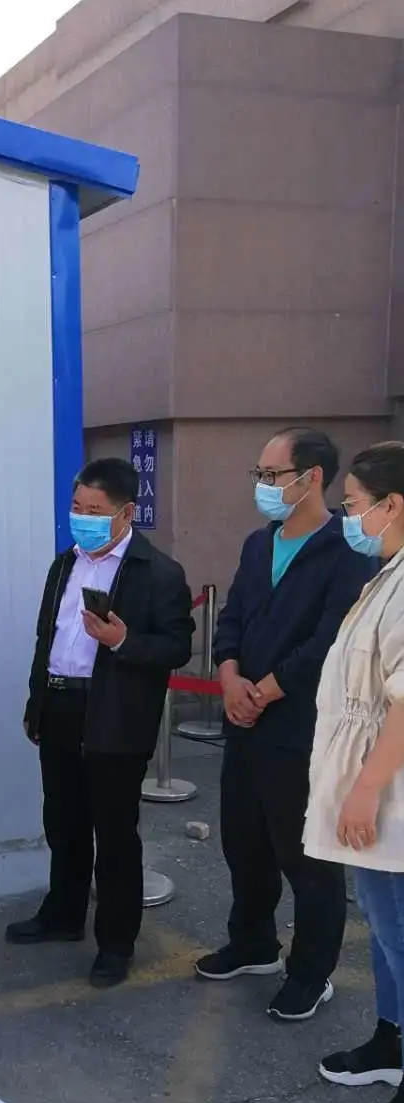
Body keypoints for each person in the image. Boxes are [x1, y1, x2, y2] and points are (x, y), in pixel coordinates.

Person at [195, 427, 376, 1020]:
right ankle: (253, 944)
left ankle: (311, 973)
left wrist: (268, 689)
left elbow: (331, 640)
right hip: (245, 722)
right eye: (261, 475)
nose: (263, 486)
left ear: (311, 477)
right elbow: (233, 619)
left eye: (272, 475)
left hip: (301, 728)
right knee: (243, 841)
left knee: (307, 858)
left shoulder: (347, 550)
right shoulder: (258, 544)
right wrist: (229, 676)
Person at [6, 458, 193, 987]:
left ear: (126, 513)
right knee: (63, 823)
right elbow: (47, 640)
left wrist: (123, 641)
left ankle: (115, 943)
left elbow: (177, 646)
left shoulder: (157, 573)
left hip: (116, 716)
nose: (82, 519)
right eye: (76, 507)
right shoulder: (64, 564)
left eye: (94, 511)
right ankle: (63, 915)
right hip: (60, 707)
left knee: (113, 835)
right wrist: (37, 705)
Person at [303, 443, 404, 1103]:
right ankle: (391, 1038)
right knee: (384, 925)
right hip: (372, 783)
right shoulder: (388, 574)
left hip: (389, 789)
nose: (348, 518)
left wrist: (366, 789)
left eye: (354, 505)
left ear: (392, 505)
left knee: (400, 931)